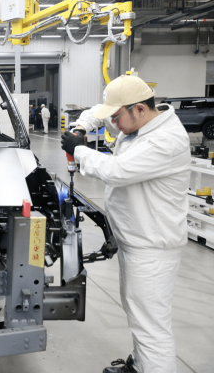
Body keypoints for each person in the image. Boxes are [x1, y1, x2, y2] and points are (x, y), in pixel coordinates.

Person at [60, 73, 190, 373]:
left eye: (117, 117)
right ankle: (141, 365)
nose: (113, 123)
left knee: (152, 328)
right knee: (140, 317)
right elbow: (98, 113)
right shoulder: (138, 123)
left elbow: (116, 171)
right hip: (136, 242)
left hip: (152, 250)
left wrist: (79, 150)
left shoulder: (165, 141)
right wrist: (81, 127)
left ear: (139, 109)